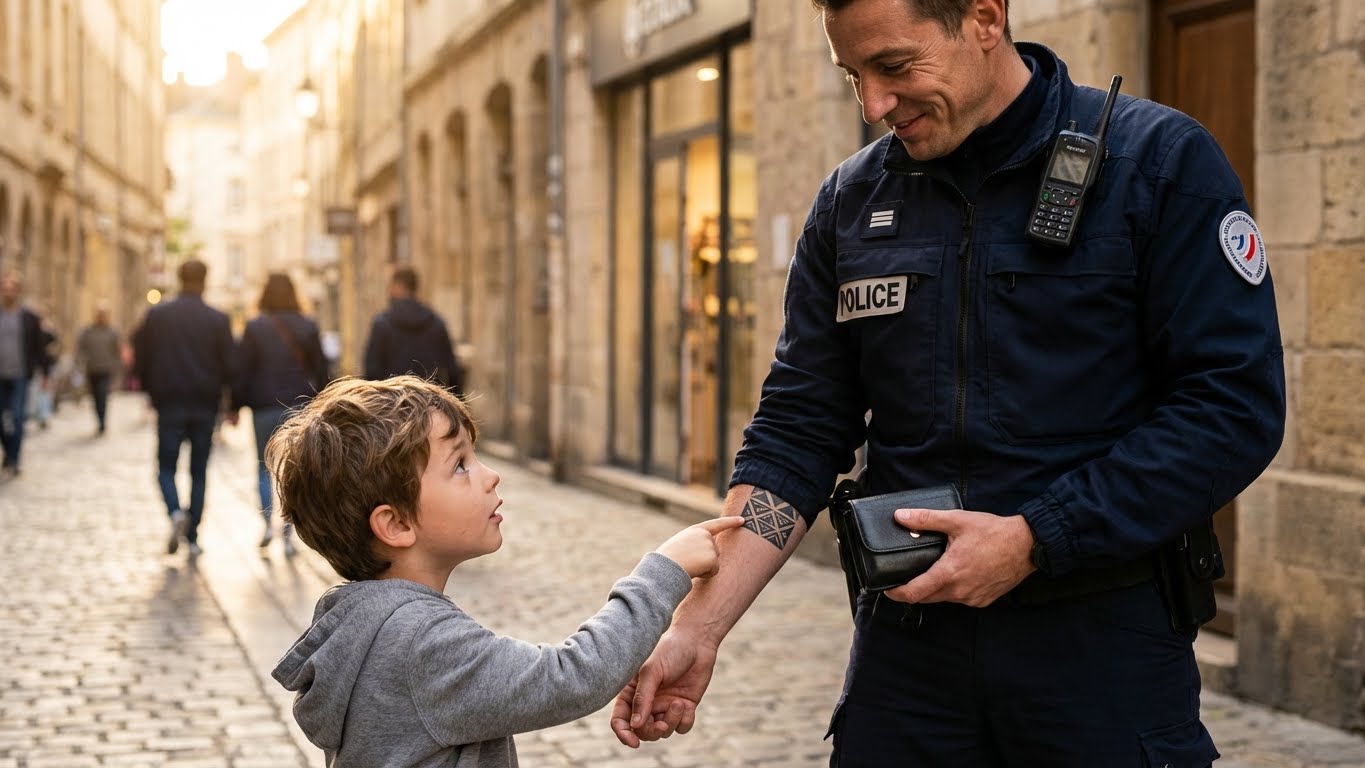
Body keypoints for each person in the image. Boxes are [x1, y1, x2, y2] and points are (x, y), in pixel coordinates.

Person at [612, 1, 1286, 766]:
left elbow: (1230, 408)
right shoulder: (849, 202)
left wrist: (1036, 539)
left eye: (895, 67)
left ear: (983, 18)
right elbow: (798, 432)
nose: (871, 106)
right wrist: (697, 627)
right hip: (907, 658)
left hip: (1101, 651)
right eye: (851, 75)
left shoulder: (1156, 163)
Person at [267, 375, 743, 767]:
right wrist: (665, 570)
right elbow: (570, 677)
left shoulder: (365, 625)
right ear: (396, 523)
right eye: (459, 465)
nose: (490, 475)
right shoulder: (420, 641)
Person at [131, 259, 238, 557]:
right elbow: (231, 364)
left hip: (169, 401)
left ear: (179, 279)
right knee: (198, 471)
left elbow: (141, 354)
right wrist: (232, 403)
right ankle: (192, 537)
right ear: (204, 281)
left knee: (166, 467)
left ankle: (176, 512)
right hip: (205, 403)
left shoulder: (158, 315)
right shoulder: (217, 319)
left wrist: (148, 386)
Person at [233, 272, 329, 556]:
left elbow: (243, 370)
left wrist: (234, 405)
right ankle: (288, 532)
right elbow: (321, 370)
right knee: (294, 469)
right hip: (299, 404)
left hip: (263, 405)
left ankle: (266, 525)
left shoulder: (254, 327)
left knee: (263, 466)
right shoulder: (307, 326)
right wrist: (325, 401)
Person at [362, 266, 463, 395]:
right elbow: (452, 370)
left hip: (391, 404)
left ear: (397, 286)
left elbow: (372, 371)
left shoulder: (382, 324)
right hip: (429, 401)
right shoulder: (436, 323)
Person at [0, 274, 53, 476]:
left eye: (11, 289)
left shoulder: (28, 318)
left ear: (17, 292)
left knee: (17, 415)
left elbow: (40, 348)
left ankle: (14, 458)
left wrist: (45, 374)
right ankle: (7, 450)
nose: (8, 292)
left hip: (20, 375)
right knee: (2, 417)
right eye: (5, 289)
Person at [75, 303, 123, 435]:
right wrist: (79, 366)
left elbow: (117, 352)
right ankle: (99, 419)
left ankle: (102, 422)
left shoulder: (112, 332)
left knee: (103, 395)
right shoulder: (87, 332)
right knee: (95, 397)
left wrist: (118, 370)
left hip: (106, 370)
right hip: (92, 369)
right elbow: (80, 350)